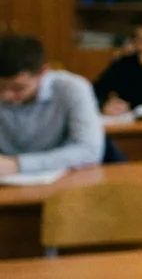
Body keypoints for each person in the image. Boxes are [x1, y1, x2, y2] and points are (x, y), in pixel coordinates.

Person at [0, 35, 105, 175]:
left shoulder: (71, 89)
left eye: (18, 88)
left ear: (43, 72)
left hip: (63, 179)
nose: (5, 96)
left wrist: (17, 164)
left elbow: (89, 152)